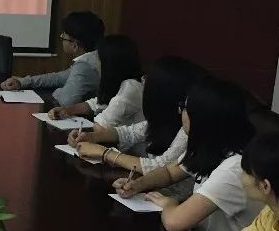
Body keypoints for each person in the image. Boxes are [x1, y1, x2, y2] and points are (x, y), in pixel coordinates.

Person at [110, 75, 259, 231]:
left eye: (184, 107)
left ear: (202, 117)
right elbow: (169, 172)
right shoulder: (211, 146)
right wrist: (137, 184)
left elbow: (174, 222)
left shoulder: (234, 167)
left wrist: (169, 203)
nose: (180, 112)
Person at [70, 55, 203, 176]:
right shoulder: (168, 117)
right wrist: (91, 136)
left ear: (161, 94)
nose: (143, 81)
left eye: (147, 80)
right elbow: (128, 133)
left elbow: (159, 167)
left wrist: (104, 153)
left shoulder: (188, 127)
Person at [0, 11, 104, 106]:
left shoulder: (85, 65)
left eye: (64, 37)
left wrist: (57, 91)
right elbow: (59, 77)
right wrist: (23, 82)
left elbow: (66, 101)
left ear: (75, 45)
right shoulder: (93, 57)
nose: (62, 38)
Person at [46, 34, 143, 129]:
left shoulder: (130, 89)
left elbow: (101, 126)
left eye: (99, 58)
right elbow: (99, 103)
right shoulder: (123, 81)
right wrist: (67, 110)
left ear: (110, 63)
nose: (95, 62)